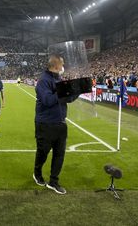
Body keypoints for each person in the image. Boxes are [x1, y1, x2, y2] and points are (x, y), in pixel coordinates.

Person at [33, 54, 78, 195]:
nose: (63, 66)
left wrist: (77, 90)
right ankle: (37, 172)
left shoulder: (59, 79)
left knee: (59, 154)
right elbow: (47, 100)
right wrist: (65, 90)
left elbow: (67, 99)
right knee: (43, 152)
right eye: (62, 64)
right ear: (56, 66)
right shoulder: (43, 81)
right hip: (45, 123)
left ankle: (53, 182)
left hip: (60, 123)